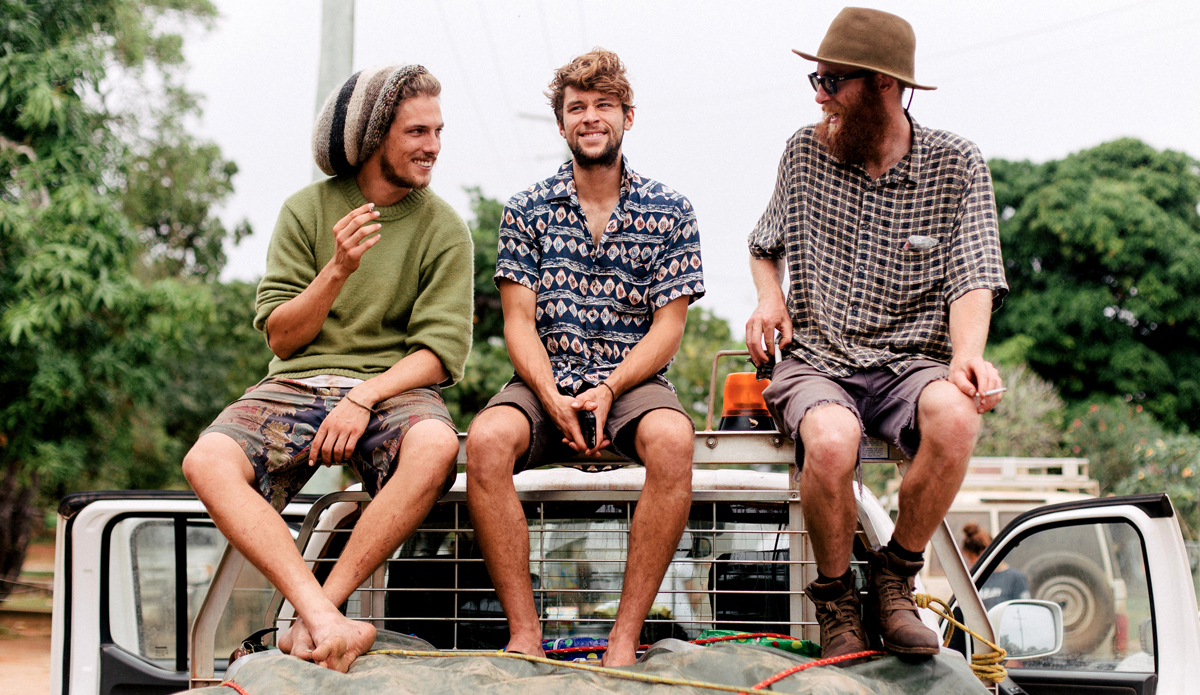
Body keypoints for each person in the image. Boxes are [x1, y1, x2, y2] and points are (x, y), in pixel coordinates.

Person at [181, 65, 473, 672]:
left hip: (392, 389)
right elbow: (284, 339)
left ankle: (318, 613)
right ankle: (319, 616)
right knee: (204, 460)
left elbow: (440, 354)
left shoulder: (444, 227)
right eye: (418, 132)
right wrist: (336, 269)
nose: (434, 147)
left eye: (439, 131)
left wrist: (364, 395)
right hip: (295, 383)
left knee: (436, 446)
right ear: (373, 137)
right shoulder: (305, 210)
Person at [745, 8, 1009, 659]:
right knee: (832, 441)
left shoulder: (957, 164)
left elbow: (974, 275)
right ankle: (838, 602)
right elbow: (762, 242)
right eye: (816, 76)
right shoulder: (804, 151)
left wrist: (968, 357)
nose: (818, 93)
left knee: (957, 416)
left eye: (833, 80)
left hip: (910, 362)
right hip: (820, 359)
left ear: (884, 85)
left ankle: (893, 579)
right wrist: (770, 295)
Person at [465, 48, 704, 667]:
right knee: (487, 439)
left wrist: (608, 388)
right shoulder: (527, 208)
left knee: (675, 443)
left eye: (604, 106)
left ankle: (623, 641)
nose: (590, 117)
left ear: (628, 116)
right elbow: (518, 322)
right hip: (545, 375)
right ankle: (524, 633)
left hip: (633, 381)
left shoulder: (672, 210)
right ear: (562, 123)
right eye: (577, 107)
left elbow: (667, 331)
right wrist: (550, 397)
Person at [962, 522, 1030, 609]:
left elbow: (1024, 610)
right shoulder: (974, 579)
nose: (970, 562)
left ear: (982, 553)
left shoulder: (1016, 578)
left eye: (971, 557)